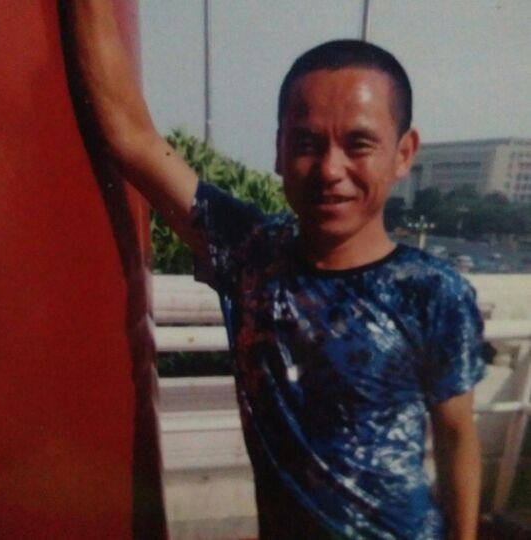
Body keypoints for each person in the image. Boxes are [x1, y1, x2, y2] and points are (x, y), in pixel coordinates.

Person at [63, 3, 486, 539]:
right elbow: (131, 137)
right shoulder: (251, 253)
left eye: (358, 144)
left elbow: (456, 435)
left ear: (403, 153)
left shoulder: (434, 292)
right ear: (280, 151)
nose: (330, 169)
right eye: (306, 143)